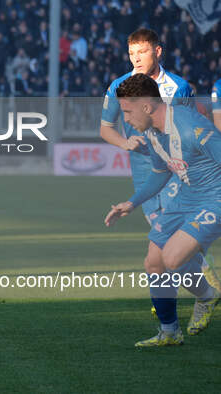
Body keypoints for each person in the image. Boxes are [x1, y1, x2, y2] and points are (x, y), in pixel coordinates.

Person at [100, 28, 221, 313]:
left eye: (141, 51)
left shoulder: (179, 90)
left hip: (181, 175)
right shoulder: (120, 86)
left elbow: (188, 133)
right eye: (131, 53)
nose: (136, 58)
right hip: (150, 170)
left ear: (157, 51)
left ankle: (199, 287)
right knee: (159, 249)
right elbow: (106, 129)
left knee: (170, 249)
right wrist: (126, 142)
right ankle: (174, 304)